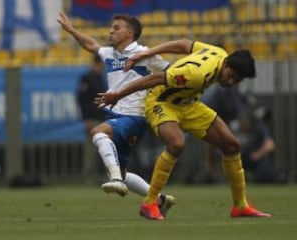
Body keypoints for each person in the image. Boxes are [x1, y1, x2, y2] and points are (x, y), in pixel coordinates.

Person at [96, 38, 272, 220]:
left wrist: (149, 52)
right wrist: (117, 95)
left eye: (237, 79)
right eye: (231, 74)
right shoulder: (195, 74)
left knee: (232, 145)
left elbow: (184, 44)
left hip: (189, 104)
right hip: (162, 103)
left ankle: (240, 205)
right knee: (176, 143)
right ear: (226, 63)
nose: (231, 81)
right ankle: (150, 202)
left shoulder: (218, 53)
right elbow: (153, 79)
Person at [57, 12, 176, 216]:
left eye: (116, 28)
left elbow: (171, 73)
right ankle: (160, 199)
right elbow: (91, 45)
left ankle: (116, 181)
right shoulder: (110, 54)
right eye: (112, 27)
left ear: (130, 33)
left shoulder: (144, 53)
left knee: (98, 133)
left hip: (134, 117)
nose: (111, 31)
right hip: (116, 117)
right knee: (121, 170)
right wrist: (72, 31)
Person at [76, 54, 107, 184]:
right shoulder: (87, 77)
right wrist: (86, 118)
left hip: (101, 118)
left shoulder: (100, 77)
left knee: (104, 148)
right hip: (92, 119)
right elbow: (81, 99)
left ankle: (106, 176)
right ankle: (89, 178)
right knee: (90, 150)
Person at [231, 110, 281, 183]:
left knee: (260, 177)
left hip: (257, 158)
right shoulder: (236, 130)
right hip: (242, 158)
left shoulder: (258, 129)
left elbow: (270, 144)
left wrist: (258, 154)